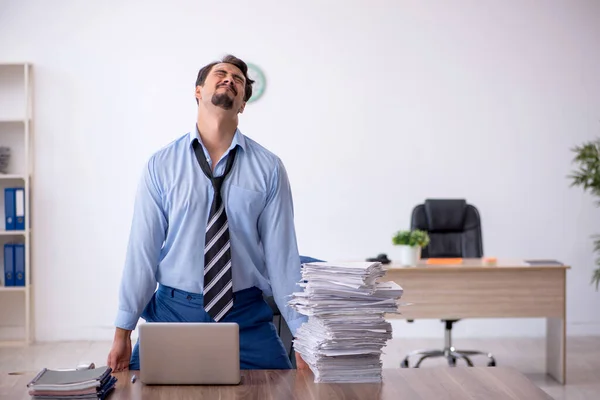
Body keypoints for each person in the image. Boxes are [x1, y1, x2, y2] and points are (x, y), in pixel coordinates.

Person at [106, 54, 309, 372]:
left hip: (245, 316)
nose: (230, 78)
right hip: (173, 312)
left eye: (239, 80)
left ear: (242, 104)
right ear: (198, 90)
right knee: (134, 388)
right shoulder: (161, 166)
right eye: (221, 73)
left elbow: (283, 259)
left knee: (282, 387)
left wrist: (303, 335)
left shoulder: (268, 168)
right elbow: (141, 253)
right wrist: (123, 331)